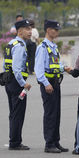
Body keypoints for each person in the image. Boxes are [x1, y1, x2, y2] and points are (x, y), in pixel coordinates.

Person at [34, 20, 68, 153]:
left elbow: (55, 65)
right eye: (55, 29)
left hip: (55, 83)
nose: (57, 32)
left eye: (58, 30)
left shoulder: (53, 46)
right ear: (48, 30)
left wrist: (64, 68)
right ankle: (49, 144)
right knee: (50, 114)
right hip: (48, 84)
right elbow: (38, 69)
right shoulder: (42, 47)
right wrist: (46, 83)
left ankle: (56, 141)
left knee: (56, 113)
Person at [4, 19, 32, 150]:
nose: (30, 31)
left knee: (13, 112)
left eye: (31, 29)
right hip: (17, 84)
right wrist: (23, 83)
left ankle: (14, 140)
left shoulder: (11, 43)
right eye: (27, 29)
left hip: (9, 82)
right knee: (18, 113)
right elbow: (16, 68)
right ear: (20, 31)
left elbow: (6, 64)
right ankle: (15, 142)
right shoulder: (20, 46)